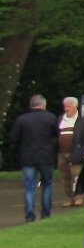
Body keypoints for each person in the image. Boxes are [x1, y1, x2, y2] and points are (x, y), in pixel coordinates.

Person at [7, 94, 58, 222]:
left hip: (27, 157)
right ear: (43, 105)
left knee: (29, 187)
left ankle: (29, 216)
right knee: (47, 185)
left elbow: (13, 137)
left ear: (31, 105)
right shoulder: (51, 117)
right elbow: (56, 135)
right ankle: (45, 214)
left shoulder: (22, 119)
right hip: (46, 156)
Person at [57, 96, 84, 208]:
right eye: (65, 106)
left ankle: (78, 198)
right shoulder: (60, 119)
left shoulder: (83, 120)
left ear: (75, 107)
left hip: (77, 152)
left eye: (69, 106)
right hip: (61, 153)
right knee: (64, 176)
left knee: (76, 175)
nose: (66, 109)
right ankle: (70, 198)